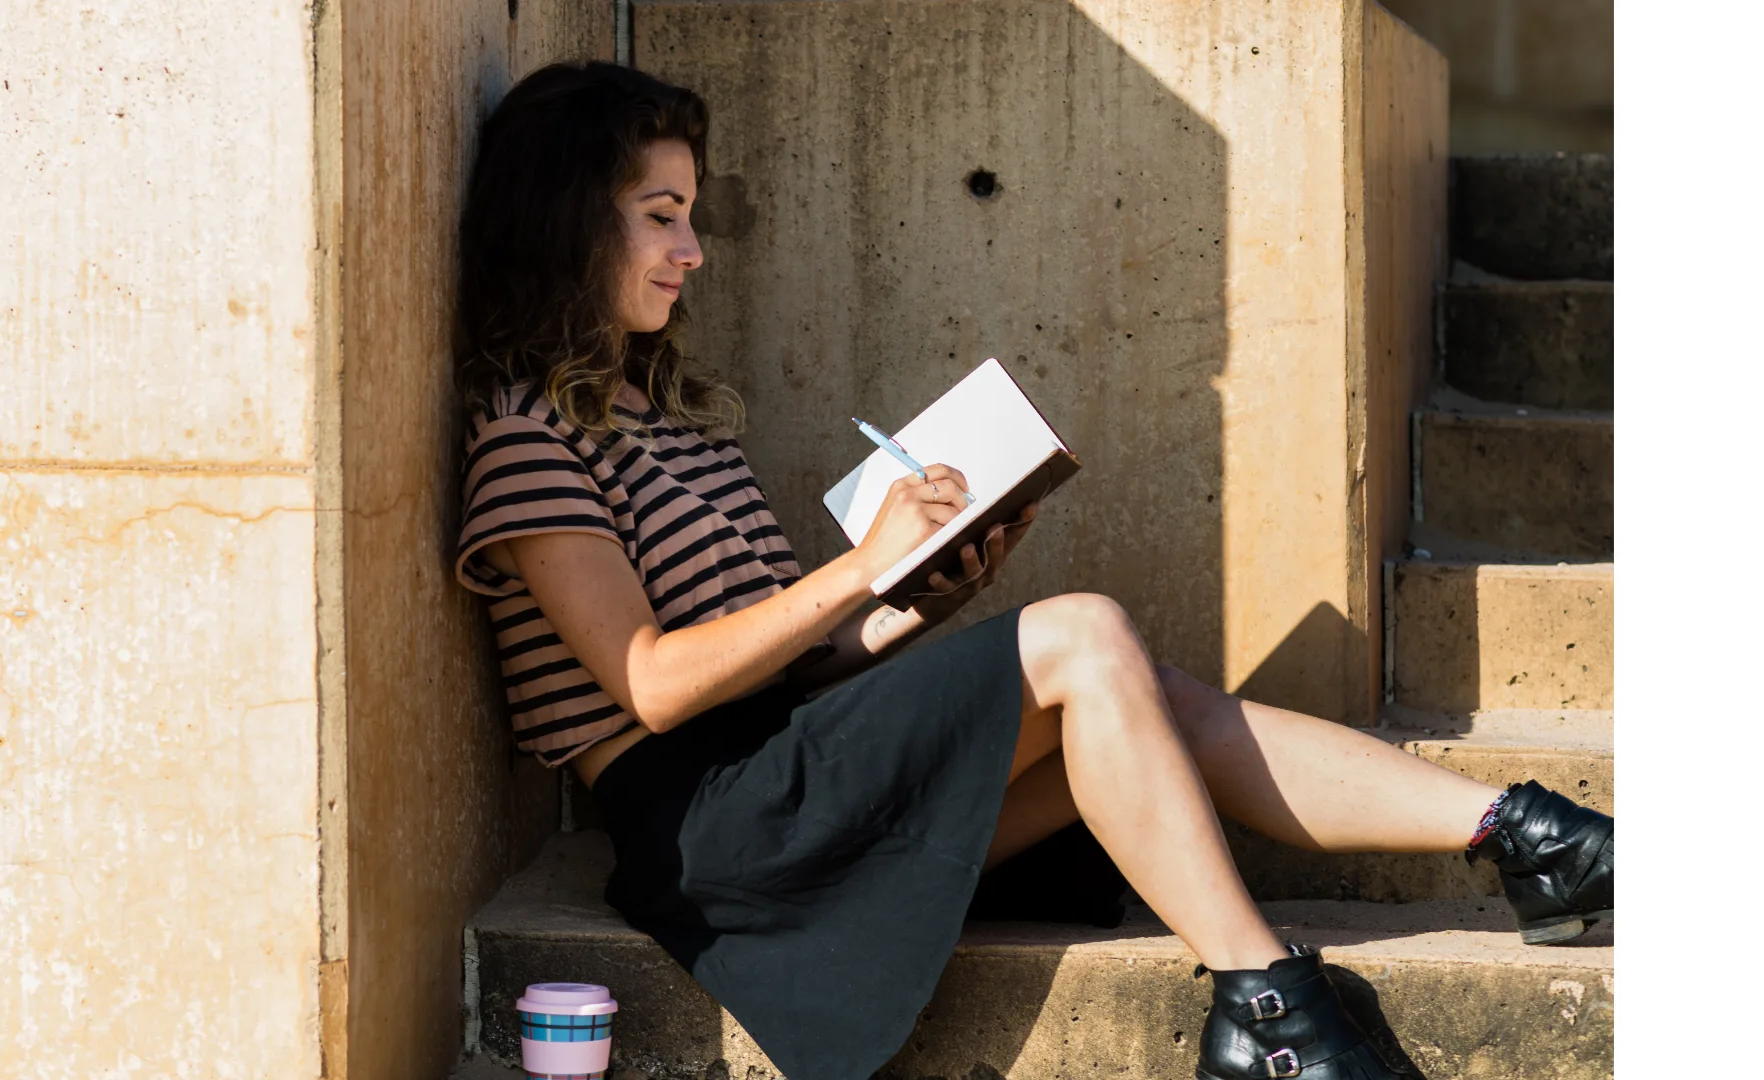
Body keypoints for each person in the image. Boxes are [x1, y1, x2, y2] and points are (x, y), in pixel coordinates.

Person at [452, 60, 1613, 1080]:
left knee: (1140, 694)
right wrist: (861, 565)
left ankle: (1532, 837)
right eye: (661, 216)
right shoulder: (524, 440)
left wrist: (921, 594)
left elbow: (792, 665)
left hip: (787, 767)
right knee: (1084, 633)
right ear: (569, 220)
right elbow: (652, 684)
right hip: (713, 833)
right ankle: (1269, 1001)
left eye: (691, 216)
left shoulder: (674, 425)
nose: (692, 251)